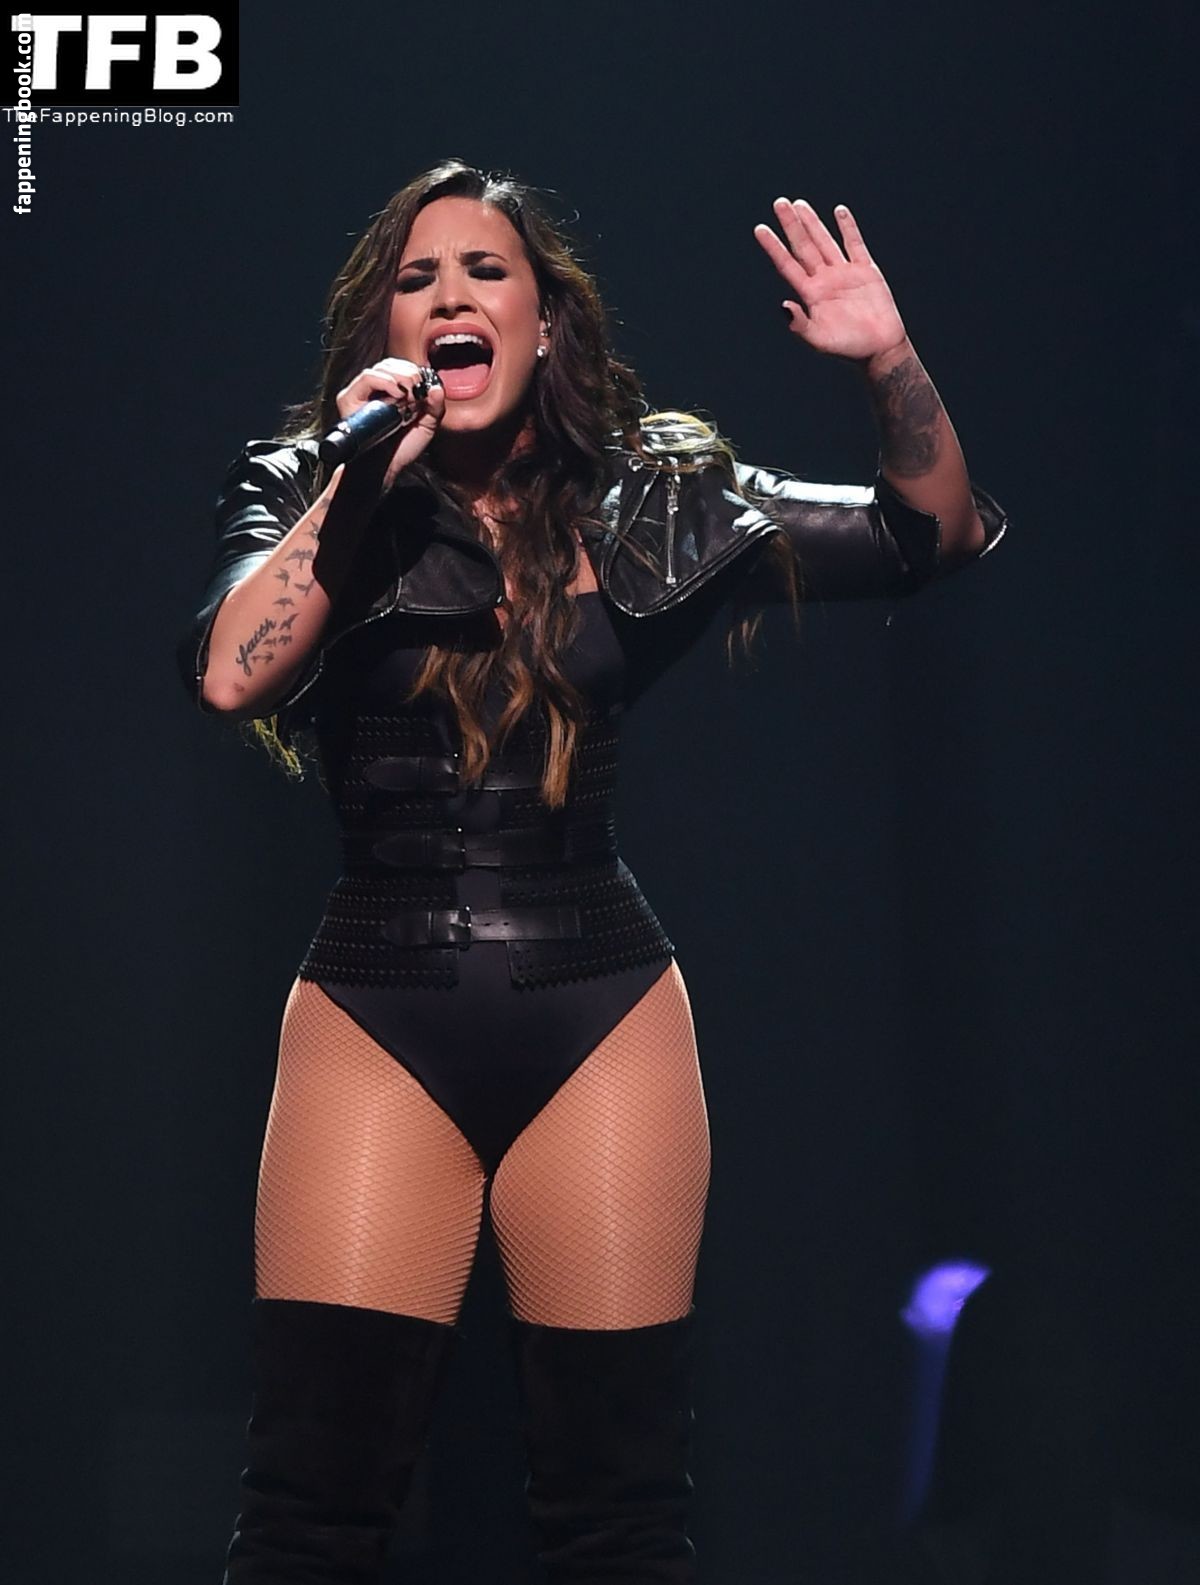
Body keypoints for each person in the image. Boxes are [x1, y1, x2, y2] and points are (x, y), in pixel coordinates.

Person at [177, 158, 1006, 1585]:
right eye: (418, 278)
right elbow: (229, 675)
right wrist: (358, 477)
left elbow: (926, 534)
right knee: (312, 1512)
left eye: (485, 270)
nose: (450, 294)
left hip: (599, 1006)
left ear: (545, 320)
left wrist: (891, 363)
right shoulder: (314, 484)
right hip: (377, 1000)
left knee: (618, 1518)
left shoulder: (650, 502)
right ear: (387, 330)